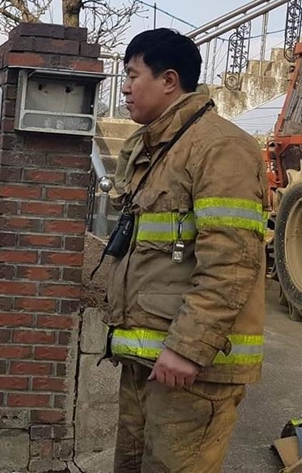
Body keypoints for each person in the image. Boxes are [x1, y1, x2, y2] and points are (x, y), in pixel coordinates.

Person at [104, 28, 267, 473]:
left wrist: (189, 348)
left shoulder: (221, 148)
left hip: (193, 371)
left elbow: (233, 262)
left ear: (169, 80)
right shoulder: (154, 147)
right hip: (148, 361)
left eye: (132, 75)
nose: (124, 87)